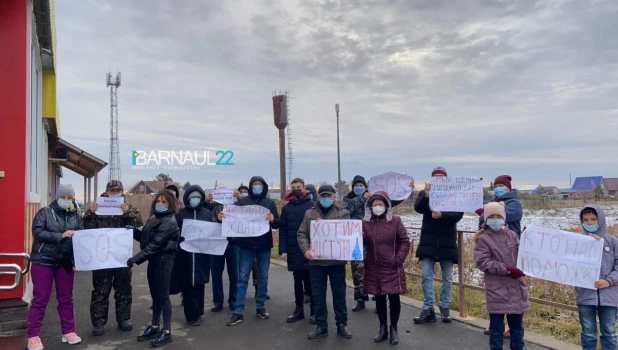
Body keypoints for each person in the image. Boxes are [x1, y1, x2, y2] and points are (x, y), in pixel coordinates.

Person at [84, 180, 143, 336]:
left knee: (123, 288)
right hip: (101, 256)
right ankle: (98, 323)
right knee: (100, 291)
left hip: (121, 256)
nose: (116, 193)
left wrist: (128, 212)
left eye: (119, 190)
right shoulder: (97, 206)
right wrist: (90, 213)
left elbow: (139, 223)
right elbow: (86, 228)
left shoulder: (127, 206)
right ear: (107, 191)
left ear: (122, 191)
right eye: (113, 190)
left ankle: (124, 319)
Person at [27, 184, 83, 350]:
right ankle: (33, 335)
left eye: (69, 198)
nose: (66, 201)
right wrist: (60, 235)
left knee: (66, 298)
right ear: (57, 197)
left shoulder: (77, 216)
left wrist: (77, 261)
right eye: (63, 197)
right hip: (43, 260)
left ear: (73, 198)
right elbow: (37, 231)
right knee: (40, 298)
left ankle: (68, 331)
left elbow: (80, 241)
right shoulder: (45, 212)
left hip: (64, 263)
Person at [222, 177, 280, 326]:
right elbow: (231, 217)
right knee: (242, 278)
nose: (257, 187)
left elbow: (278, 223)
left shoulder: (269, 203)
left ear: (264, 186)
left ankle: (260, 306)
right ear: (250, 186)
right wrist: (221, 216)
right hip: (246, 246)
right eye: (254, 184)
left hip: (263, 246)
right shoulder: (242, 202)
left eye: (259, 184)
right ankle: (238, 311)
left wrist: (273, 218)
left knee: (263, 277)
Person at [297, 184, 353, 339]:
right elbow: (301, 234)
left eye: (329, 196)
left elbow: (347, 235)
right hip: (316, 262)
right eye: (323, 196)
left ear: (334, 197)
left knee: (339, 295)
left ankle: (342, 324)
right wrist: (306, 249)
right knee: (318, 296)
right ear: (318, 197)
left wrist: (354, 237)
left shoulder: (343, 213)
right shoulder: (309, 213)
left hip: (336, 262)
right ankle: (321, 326)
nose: (326, 199)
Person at [127, 190, 180, 347]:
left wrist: (135, 259)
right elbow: (145, 237)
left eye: (165, 202)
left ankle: (167, 330)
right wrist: (133, 231)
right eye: (159, 201)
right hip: (154, 261)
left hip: (163, 261)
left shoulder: (169, 222)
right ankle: (155, 326)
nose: (161, 204)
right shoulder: (154, 217)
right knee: (155, 296)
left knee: (163, 297)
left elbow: (155, 245)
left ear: (171, 205)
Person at [473, 202, 529, 350]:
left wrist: (529, 240)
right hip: (496, 289)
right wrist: (508, 269)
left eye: (499, 216)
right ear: (486, 219)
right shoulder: (483, 239)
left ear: (504, 218)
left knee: (517, 329)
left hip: (516, 288)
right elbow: (483, 262)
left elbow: (522, 254)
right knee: (496, 329)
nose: (496, 220)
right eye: (492, 217)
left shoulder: (512, 235)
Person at [413, 166, 463, 324]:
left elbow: (458, 215)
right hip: (428, 241)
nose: (439, 179)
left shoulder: (453, 195)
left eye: (442, 176)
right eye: (436, 177)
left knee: (447, 278)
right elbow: (418, 208)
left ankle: (445, 307)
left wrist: (442, 215)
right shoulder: (425, 192)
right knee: (426, 276)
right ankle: (428, 308)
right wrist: (426, 195)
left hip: (447, 241)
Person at [477, 174, 524, 337]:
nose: (499, 188)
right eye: (496, 185)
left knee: (514, 289)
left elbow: (499, 215)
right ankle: (496, 323)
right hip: (493, 250)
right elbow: (485, 218)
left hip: (512, 250)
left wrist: (484, 213)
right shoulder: (493, 204)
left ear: (509, 188)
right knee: (496, 289)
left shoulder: (514, 203)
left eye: (502, 186)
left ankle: (514, 324)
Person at [362, 192, 410, 345]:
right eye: (374, 204)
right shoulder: (365, 223)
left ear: (386, 206)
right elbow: (359, 243)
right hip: (373, 266)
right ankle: (382, 328)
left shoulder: (395, 221)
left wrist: (398, 259)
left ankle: (394, 328)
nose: (377, 207)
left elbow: (404, 241)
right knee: (379, 298)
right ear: (370, 206)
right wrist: (359, 238)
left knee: (394, 298)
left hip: (392, 266)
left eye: (380, 204)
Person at [575, 205, 618, 350]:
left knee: (609, 332)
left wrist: (609, 281)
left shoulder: (612, 242)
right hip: (585, 296)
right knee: (588, 332)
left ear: (601, 220)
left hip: (609, 297)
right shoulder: (577, 242)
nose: (590, 223)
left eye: (593, 219)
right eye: (586, 220)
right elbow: (568, 264)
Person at [172, 185, 213, 326]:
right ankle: (191, 316)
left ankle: (199, 311)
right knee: (189, 285)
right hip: (185, 256)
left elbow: (213, 231)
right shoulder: (181, 214)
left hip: (202, 256)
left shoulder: (207, 214)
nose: (195, 200)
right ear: (187, 198)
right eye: (192, 197)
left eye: (197, 197)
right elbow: (174, 232)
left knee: (200, 283)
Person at [279, 178, 315, 323]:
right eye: (293, 187)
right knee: (297, 280)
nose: (296, 189)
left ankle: (314, 310)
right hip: (293, 249)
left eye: (298, 187)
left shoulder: (312, 206)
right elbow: (283, 230)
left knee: (311, 281)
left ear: (304, 188)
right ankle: (298, 310)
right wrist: (283, 250)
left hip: (309, 249)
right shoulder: (287, 208)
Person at [206, 186, 240, 313]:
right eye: (220, 193)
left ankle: (234, 300)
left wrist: (239, 198)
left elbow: (243, 217)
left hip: (232, 243)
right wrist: (206, 201)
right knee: (216, 274)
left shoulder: (236, 206)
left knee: (234, 274)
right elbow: (205, 219)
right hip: (216, 244)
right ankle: (218, 301)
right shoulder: (211, 207)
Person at [343, 175, 372, 311]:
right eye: (357, 185)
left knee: (374, 268)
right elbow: (348, 209)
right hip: (355, 241)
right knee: (357, 270)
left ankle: (379, 297)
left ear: (365, 186)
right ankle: (360, 299)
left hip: (372, 239)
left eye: (361, 185)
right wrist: (362, 198)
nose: (359, 188)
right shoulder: (347, 198)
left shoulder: (373, 198)